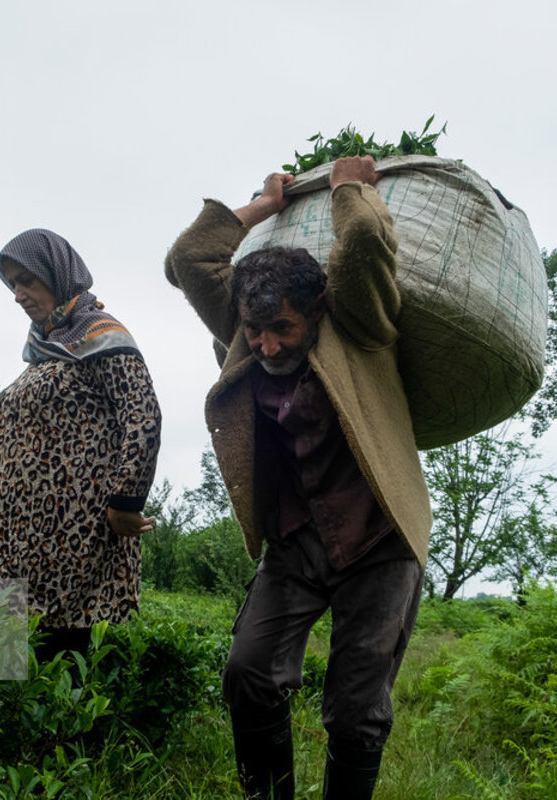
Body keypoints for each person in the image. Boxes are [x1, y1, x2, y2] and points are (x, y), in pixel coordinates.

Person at [164, 156, 432, 799]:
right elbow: (188, 259)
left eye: (282, 328)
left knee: (355, 710)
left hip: (377, 542)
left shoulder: (358, 324)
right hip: (296, 544)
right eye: (256, 331)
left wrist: (346, 186)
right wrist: (264, 204)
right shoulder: (240, 331)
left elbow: (365, 242)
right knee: (249, 673)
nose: (267, 346)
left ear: (314, 309)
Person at [0, 228, 161, 665]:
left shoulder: (102, 334)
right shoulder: (46, 347)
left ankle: (53, 735)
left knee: (52, 653)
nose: (18, 294)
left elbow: (142, 415)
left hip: (71, 532)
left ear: (57, 274)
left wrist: (125, 501)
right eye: (12, 284)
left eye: (28, 280)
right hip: (7, 524)